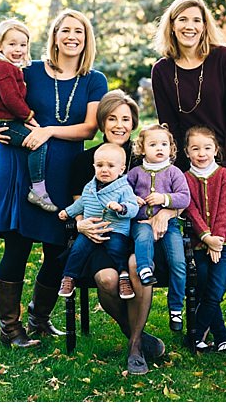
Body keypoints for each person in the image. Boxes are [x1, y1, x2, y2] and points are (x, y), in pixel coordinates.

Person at [0, 9, 106, 348]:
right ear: (53, 36)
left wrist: (49, 130)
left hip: (64, 172)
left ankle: (39, 317)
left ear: (86, 38)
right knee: (17, 246)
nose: (71, 37)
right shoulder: (29, 69)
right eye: (64, 30)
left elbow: (90, 128)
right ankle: (10, 328)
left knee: (57, 249)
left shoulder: (95, 79)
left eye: (78, 31)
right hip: (20, 167)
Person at [150, 0, 226, 344]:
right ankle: (202, 313)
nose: (190, 27)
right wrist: (180, 174)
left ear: (204, 25)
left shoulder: (222, 59)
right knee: (197, 233)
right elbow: (168, 125)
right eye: (182, 20)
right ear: (172, 25)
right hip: (188, 164)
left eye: (196, 20)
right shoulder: (162, 70)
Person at [66, 90, 167, 374]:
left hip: (143, 235)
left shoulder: (146, 158)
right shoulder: (86, 161)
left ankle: (134, 347)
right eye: (112, 118)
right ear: (101, 122)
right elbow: (78, 206)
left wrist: (167, 213)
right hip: (103, 237)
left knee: (137, 266)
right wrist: (80, 223)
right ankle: (136, 333)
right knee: (107, 279)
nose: (119, 125)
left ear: (134, 122)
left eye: (125, 118)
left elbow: (175, 191)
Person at [0, 18, 56, 211]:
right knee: (37, 143)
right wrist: (29, 116)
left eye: (23, 44)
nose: (18, 49)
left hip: (5, 120)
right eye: (12, 44)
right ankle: (38, 190)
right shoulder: (4, 68)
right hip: (4, 122)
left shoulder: (10, 67)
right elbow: (11, 100)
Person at [125, 124, 190, 327]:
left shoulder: (174, 172)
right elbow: (123, 192)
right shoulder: (135, 173)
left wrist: (164, 198)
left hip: (169, 225)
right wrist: (132, 199)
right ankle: (145, 270)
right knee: (143, 237)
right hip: (141, 222)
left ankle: (176, 308)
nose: (159, 148)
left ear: (171, 148)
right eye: (153, 144)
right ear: (142, 148)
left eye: (164, 144)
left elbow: (184, 198)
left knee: (178, 262)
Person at [57, 144, 139, 299]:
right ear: (94, 166)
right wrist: (68, 212)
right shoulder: (90, 187)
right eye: (100, 165)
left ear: (121, 169)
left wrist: (121, 208)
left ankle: (123, 275)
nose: (104, 170)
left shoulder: (124, 188)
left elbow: (133, 208)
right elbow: (81, 204)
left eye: (110, 166)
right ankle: (69, 277)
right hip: (91, 228)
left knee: (117, 248)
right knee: (78, 248)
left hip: (115, 229)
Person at [183, 126, 226, 353]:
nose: (201, 153)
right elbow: (190, 210)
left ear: (216, 149)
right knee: (203, 288)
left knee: (215, 291)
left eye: (207, 148)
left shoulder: (224, 175)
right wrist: (206, 237)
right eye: (195, 148)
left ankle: (194, 334)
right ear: (187, 152)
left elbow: (225, 209)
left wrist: (217, 239)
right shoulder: (185, 178)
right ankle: (222, 336)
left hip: (224, 244)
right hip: (198, 243)